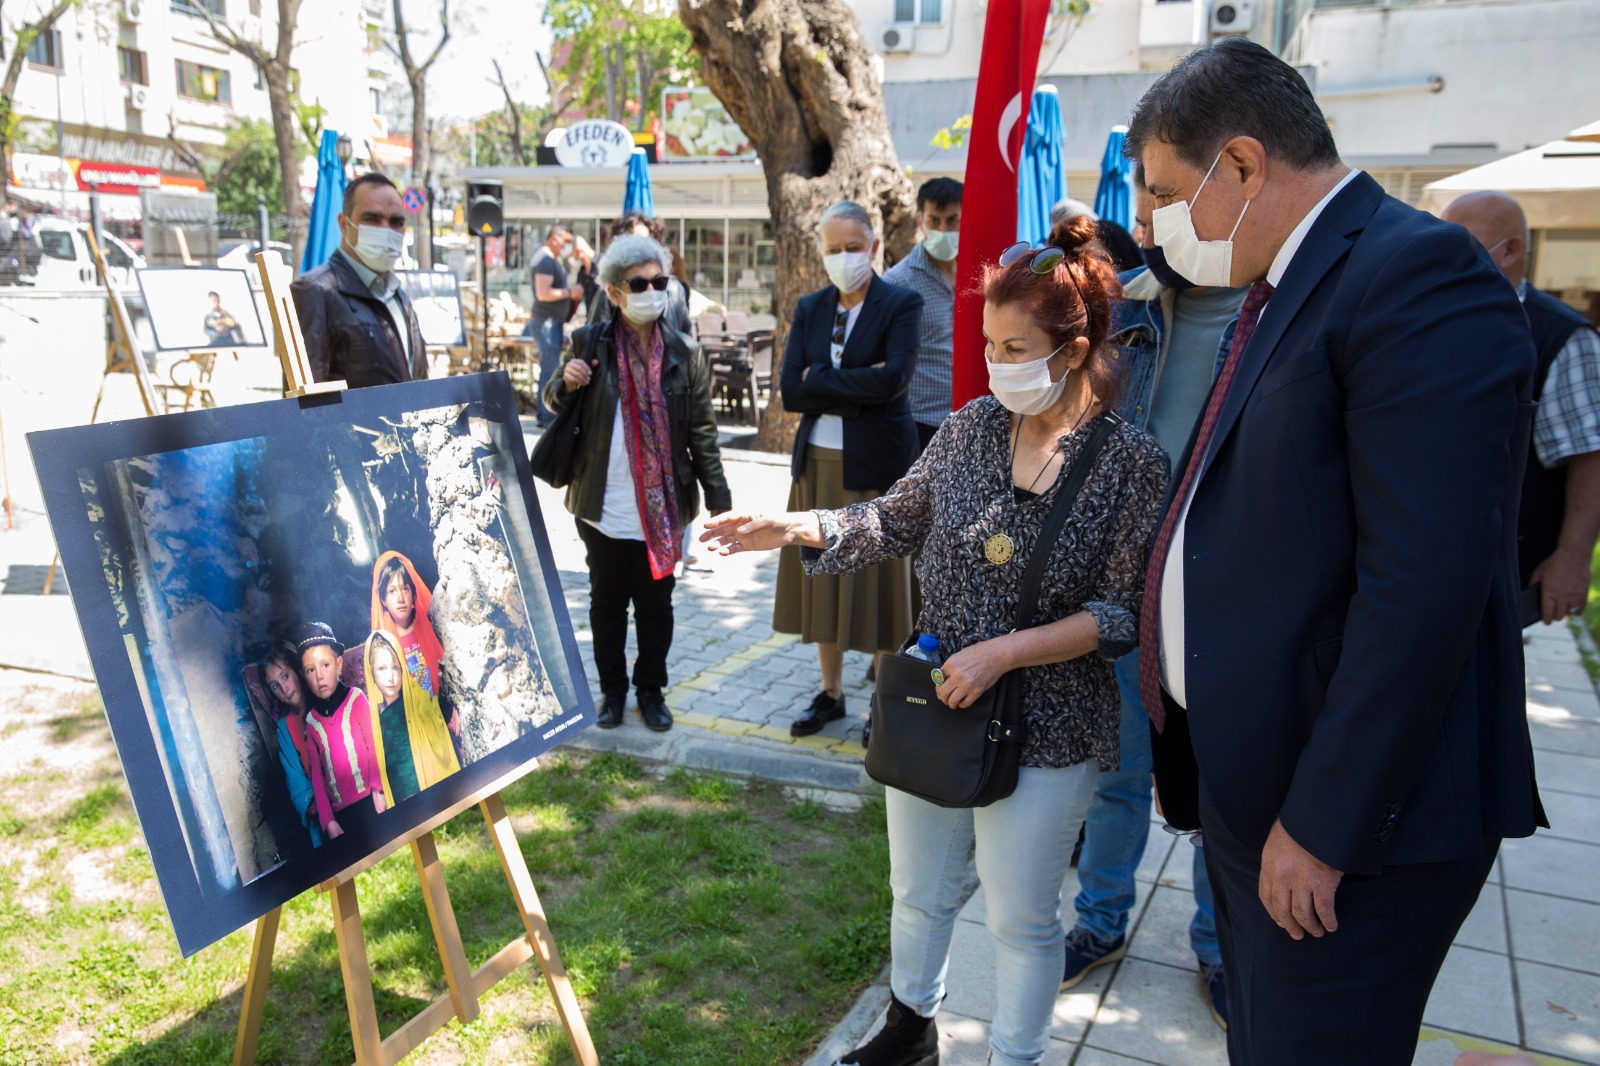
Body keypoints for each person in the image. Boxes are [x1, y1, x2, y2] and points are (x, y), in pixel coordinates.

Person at [1130, 37, 1545, 1065]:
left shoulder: (1414, 274)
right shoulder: (1287, 278)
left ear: (1238, 165)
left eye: (1161, 191)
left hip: (1346, 820)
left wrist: (1323, 823)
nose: (1149, 222)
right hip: (1254, 783)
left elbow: (1423, 586)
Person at [701, 217, 1168, 1066]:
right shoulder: (968, 428)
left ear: (1074, 346)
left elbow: (1120, 614)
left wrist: (1004, 653)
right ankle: (910, 1033)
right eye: (990, 343)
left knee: (1022, 921)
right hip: (936, 704)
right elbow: (890, 518)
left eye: (1015, 345)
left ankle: (1014, 1058)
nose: (997, 364)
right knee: (917, 894)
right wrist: (792, 524)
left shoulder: (1131, 462)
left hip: (1050, 722)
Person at [1060, 180, 1244, 1026]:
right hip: (1129, 591)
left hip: (1226, 599)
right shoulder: (1133, 318)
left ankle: (1219, 946)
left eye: (1163, 204)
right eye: (1143, 214)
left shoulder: (1271, 317)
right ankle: (1100, 923)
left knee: (1222, 791)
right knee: (1118, 774)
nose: (1148, 228)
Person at [543, 234, 731, 732]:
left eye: (659, 281)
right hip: (603, 505)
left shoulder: (684, 351)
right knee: (606, 606)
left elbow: (703, 431)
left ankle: (651, 691)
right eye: (639, 283)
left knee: (655, 609)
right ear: (615, 291)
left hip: (664, 508)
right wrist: (567, 382)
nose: (652, 290)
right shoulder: (590, 342)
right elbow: (552, 400)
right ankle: (612, 693)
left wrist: (719, 498)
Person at [773, 201, 924, 739]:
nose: (843, 258)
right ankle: (830, 693)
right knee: (823, 580)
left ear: (875, 247)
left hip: (879, 465)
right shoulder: (811, 307)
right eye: (833, 249)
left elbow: (895, 382)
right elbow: (792, 389)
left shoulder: (901, 303)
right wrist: (859, 379)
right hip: (816, 462)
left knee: (880, 584)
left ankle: (881, 704)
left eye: (852, 247)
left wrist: (825, 379)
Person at [1440, 191, 1600, 625]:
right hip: (1437, 560)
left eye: (1460, 240)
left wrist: (1572, 557)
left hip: (1510, 560)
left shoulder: (1563, 335)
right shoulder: (1442, 315)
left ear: (1508, 250)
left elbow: (1589, 455)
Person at [291, 172, 428, 389]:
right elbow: (305, 404)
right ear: (344, 225)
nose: (386, 230)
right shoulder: (315, 290)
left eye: (396, 221)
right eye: (372, 219)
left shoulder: (398, 295)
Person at [884, 178, 962, 454]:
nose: (944, 229)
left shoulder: (981, 275)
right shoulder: (896, 282)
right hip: (919, 423)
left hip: (972, 419)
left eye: (953, 220)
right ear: (920, 221)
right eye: (934, 220)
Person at [296, 622, 387, 841]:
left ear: (338, 665)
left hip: (372, 800)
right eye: (311, 670)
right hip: (341, 815)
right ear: (303, 675)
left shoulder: (356, 699)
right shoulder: (311, 721)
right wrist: (328, 821)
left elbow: (374, 744)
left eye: (325, 665)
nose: (319, 676)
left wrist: (379, 789)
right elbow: (316, 775)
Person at [363, 629, 459, 804]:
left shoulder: (417, 699)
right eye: (382, 669)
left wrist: (446, 690)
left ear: (402, 668)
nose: (390, 677)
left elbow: (437, 716)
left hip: (424, 788)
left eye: (395, 668)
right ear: (371, 673)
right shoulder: (376, 719)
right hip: (399, 798)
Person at [256, 643, 323, 847]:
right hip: (320, 813)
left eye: (285, 676)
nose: (284, 689)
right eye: (275, 685)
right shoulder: (285, 728)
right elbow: (297, 783)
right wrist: (315, 803)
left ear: (297, 669)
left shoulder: (325, 701)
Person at [526, 223, 577, 427]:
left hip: (550, 322)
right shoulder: (545, 260)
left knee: (549, 368)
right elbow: (543, 293)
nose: (568, 246)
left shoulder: (549, 259)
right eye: (566, 241)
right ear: (555, 239)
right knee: (550, 370)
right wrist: (570, 292)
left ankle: (544, 414)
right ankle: (547, 416)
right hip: (546, 322)